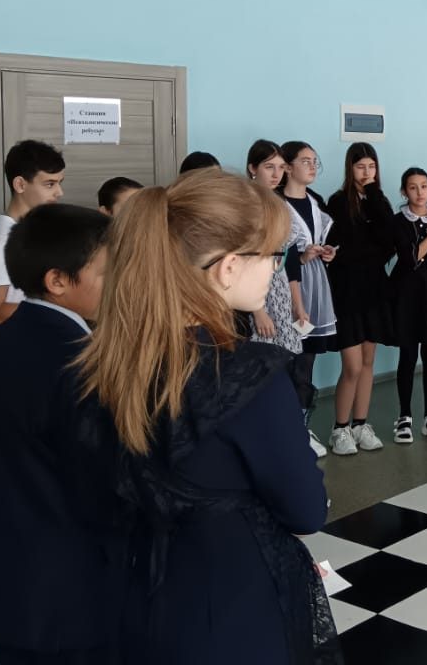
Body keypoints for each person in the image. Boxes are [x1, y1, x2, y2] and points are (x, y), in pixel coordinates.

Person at [76, 169, 338, 665]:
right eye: (273, 256)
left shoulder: (105, 358)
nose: (276, 269)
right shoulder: (250, 374)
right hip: (234, 602)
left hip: (137, 594)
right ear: (229, 267)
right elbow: (306, 511)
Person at [0, 204, 122, 664]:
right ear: (57, 280)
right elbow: (107, 482)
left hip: (8, 583)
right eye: (105, 273)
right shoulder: (83, 365)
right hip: (78, 589)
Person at [325, 143, 395, 455]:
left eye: (371, 166)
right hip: (347, 291)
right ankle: (339, 429)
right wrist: (366, 252)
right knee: (351, 366)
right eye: (360, 167)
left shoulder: (380, 200)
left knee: (368, 362)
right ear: (349, 168)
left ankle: (360, 424)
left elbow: (391, 243)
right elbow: (341, 249)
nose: (367, 172)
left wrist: (375, 198)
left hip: (375, 290)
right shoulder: (338, 202)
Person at [279, 141, 338, 458]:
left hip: (315, 283)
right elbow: (282, 254)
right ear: (288, 167)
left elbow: (320, 241)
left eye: (315, 161)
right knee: (286, 361)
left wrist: (325, 253)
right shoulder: (277, 204)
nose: (313, 167)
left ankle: (302, 425)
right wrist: (301, 257)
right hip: (287, 286)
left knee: (307, 360)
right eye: (305, 161)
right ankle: (285, 429)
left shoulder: (315, 201)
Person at [388, 167, 427, 444]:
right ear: (404, 191)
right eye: (413, 187)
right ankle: (404, 416)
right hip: (405, 294)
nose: (419, 192)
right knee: (407, 355)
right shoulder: (398, 221)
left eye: (424, 186)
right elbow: (410, 258)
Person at [0, 139, 65, 330]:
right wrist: (55, 311)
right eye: (50, 184)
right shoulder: (3, 239)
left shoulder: (26, 233)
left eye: (59, 183)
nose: (59, 192)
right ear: (20, 184)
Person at [246, 141, 303, 357]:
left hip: (280, 284)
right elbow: (245, 261)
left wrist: (296, 303)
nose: (276, 174)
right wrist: (258, 311)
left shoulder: (279, 202)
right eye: (269, 167)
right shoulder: (246, 203)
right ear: (253, 168)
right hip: (255, 291)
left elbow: (288, 256)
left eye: (281, 167)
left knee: (285, 357)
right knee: (262, 357)